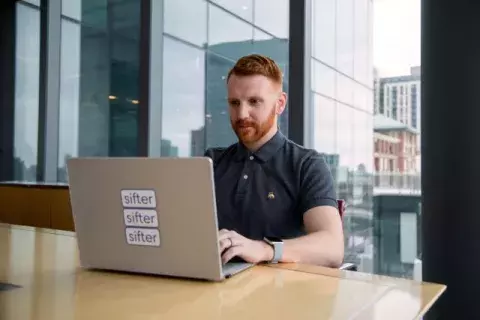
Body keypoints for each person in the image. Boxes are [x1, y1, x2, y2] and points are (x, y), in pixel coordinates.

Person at [204, 54, 344, 268]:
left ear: (280, 104)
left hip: (278, 294)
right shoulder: (211, 162)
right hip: (212, 290)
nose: (242, 114)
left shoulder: (306, 165)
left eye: (254, 102)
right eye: (234, 103)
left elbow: (332, 248)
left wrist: (265, 249)